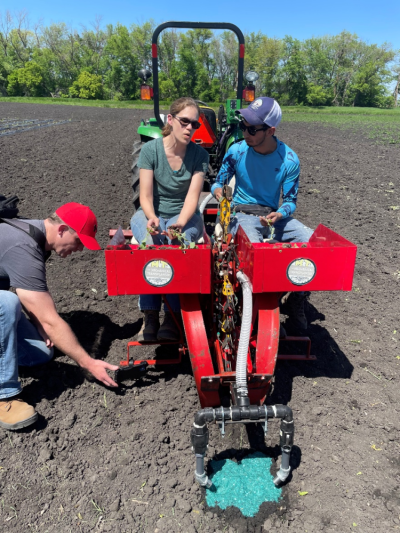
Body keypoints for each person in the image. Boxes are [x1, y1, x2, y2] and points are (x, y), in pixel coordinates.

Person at [0, 202, 119, 431]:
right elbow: (49, 318)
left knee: (40, 353)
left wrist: (40, 322)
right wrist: (88, 363)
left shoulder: (36, 238)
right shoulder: (23, 246)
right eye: (79, 241)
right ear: (62, 229)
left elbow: (32, 298)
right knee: (6, 303)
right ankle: (5, 397)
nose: (80, 249)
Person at [211, 97, 313, 331]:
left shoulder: (288, 160)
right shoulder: (236, 151)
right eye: (243, 126)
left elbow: (289, 201)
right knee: (257, 252)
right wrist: (219, 193)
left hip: (270, 215)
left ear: (271, 131)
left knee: (311, 242)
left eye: (252, 128)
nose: (245, 132)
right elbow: (219, 181)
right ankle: (258, 310)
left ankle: (297, 297)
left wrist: (280, 213)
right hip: (241, 213)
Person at [130, 97, 209, 342]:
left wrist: (181, 222)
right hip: (152, 211)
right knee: (149, 249)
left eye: (194, 124)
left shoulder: (199, 155)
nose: (189, 128)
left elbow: (192, 198)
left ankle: (171, 317)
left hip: (184, 215)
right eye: (184, 121)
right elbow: (145, 195)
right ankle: (150, 316)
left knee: (176, 249)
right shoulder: (150, 150)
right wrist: (152, 217)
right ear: (171, 120)